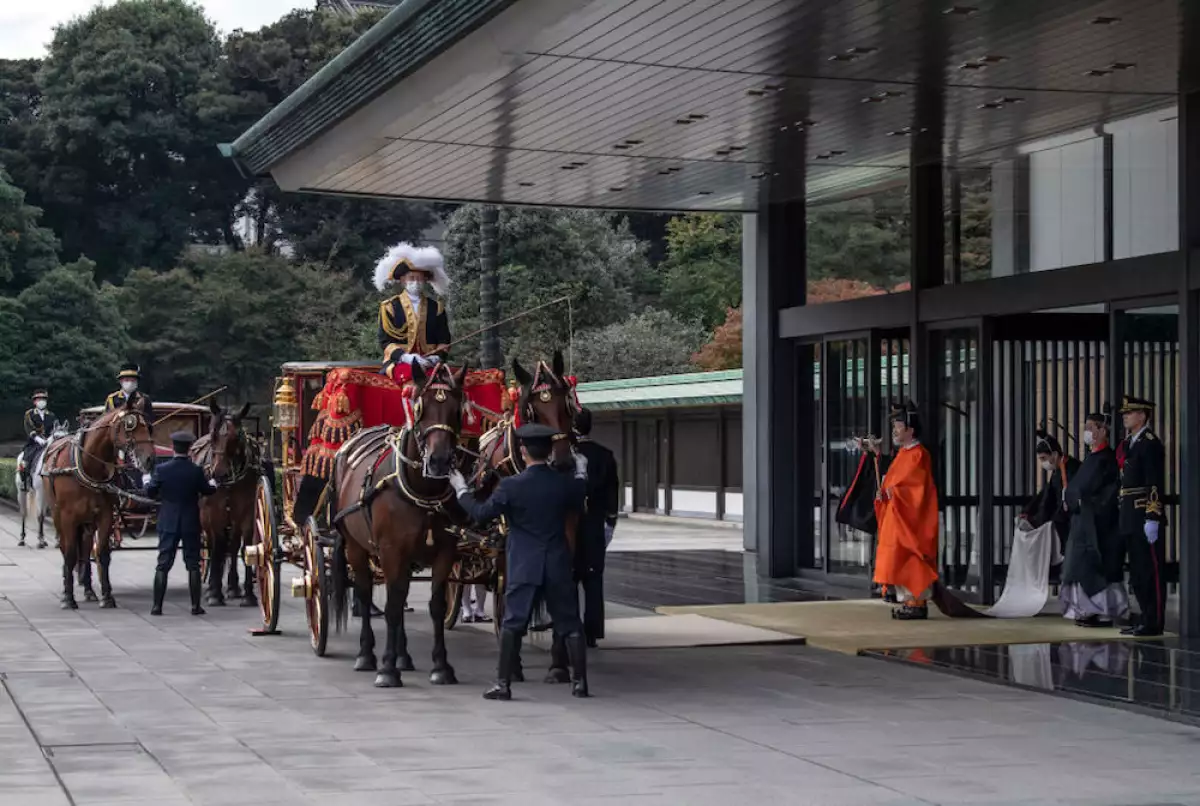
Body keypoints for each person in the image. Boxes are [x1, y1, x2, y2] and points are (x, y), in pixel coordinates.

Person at [449, 423, 590, 701]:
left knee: (514, 623)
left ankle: (503, 684)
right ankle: (580, 683)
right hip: (558, 562)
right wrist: (582, 468)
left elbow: (480, 513)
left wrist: (461, 489)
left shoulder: (511, 486)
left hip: (524, 563)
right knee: (570, 624)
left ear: (523, 451)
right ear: (549, 452)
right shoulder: (565, 484)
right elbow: (580, 490)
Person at [865, 401, 940, 620]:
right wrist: (885, 492)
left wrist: (894, 493)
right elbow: (894, 480)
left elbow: (917, 487)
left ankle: (917, 603)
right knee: (898, 555)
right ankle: (907, 601)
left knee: (912, 558)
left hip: (912, 519)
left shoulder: (919, 455)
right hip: (898, 516)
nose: (895, 431)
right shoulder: (904, 454)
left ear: (910, 429)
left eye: (898, 427)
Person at [1060, 408, 1127, 627]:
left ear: (1103, 430)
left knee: (1097, 568)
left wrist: (1084, 503)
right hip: (1082, 523)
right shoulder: (1091, 457)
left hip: (1098, 524)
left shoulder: (1107, 459)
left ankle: (1104, 611)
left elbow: (1107, 492)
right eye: (1086, 428)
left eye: (1091, 428)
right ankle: (1085, 610)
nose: (1087, 432)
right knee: (1079, 566)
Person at [145, 431, 217, 616]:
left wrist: (146, 480)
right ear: (189, 449)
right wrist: (214, 483)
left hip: (168, 521)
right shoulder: (196, 471)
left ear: (173, 447)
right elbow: (207, 491)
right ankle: (195, 606)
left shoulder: (162, 470)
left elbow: (151, 493)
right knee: (193, 564)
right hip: (190, 521)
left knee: (163, 564)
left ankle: (157, 606)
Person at [1117, 395, 1167, 637]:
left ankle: (1154, 621)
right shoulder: (1130, 443)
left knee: (1150, 571)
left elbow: (1154, 483)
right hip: (1128, 515)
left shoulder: (1150, 443)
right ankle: (1144, 618)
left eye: (1130, 412)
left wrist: (1153, 516)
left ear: (1143, 415)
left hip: (1143, 515)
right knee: (1137, 572)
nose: (1125, 416)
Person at [572, 407, 620, 647]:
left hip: (569, 525)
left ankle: (569, 628)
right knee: (593, 579)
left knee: (568, 578)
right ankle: (592, 631)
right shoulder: (605, 455)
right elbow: (612, 494)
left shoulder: (565, 456)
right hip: (595, 522)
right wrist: (610, 522)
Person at [374, 243, 452, 382]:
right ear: (402, 280)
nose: (416, 282)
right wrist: (406, 357)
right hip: (399, 363)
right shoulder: (390, 307)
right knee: (412, 379)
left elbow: (444, 340)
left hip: (431, 364)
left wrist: (436, 357)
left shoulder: (436, 308)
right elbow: (385, 342)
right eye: (411, 278)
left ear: (425, 280)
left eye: (419, 278)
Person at [1019, 429, 1080, 570]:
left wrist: (1050, 520)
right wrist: (1029, 512)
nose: (1043, 463)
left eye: (1044, 458)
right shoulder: (1058, 471)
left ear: (1055, 454)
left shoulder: (1072, 469)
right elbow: (1046, 495)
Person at [20, 390, 55, 492]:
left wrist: (50, 438)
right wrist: (37, 438)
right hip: (34, 443)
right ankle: (25, 481)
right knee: (25, 461)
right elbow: (28, 428)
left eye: (43, 400)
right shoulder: (29, 414)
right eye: (39, 400)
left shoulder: (51, 415)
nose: (41, 402)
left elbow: (55, 427)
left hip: (49, 441)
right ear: (34, 402)